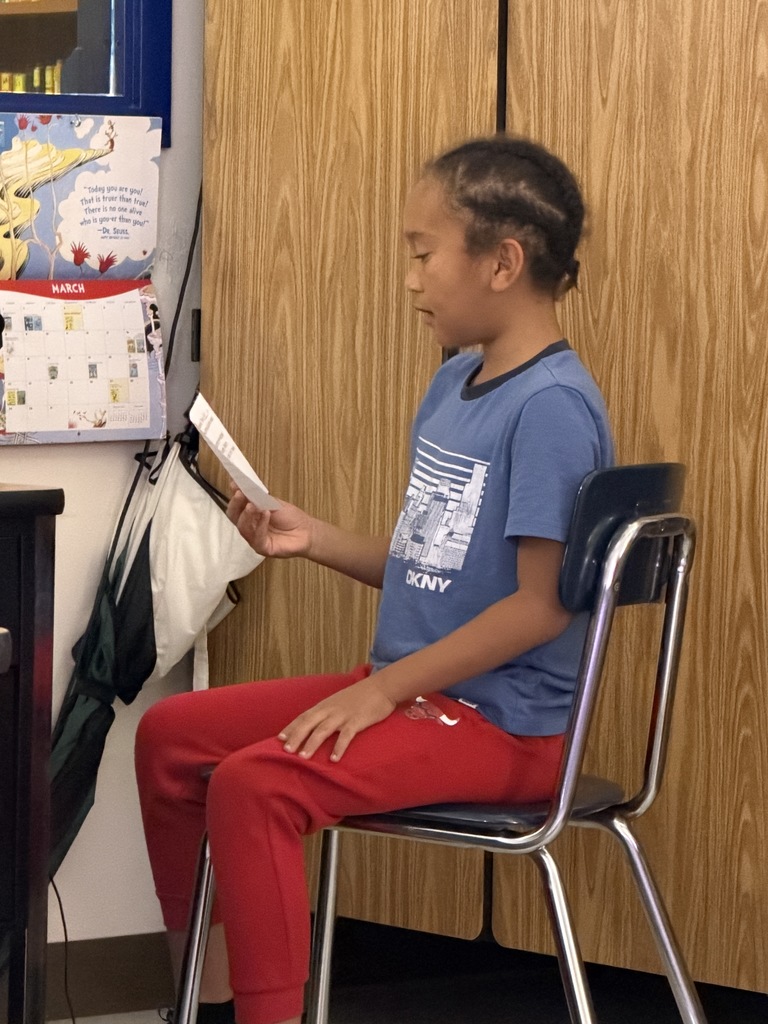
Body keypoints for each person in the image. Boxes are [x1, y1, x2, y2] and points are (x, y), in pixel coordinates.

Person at [135, 134, 614, 1024]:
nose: (410, 279)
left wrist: (381, 691)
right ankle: (202, 990)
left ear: (503, 261)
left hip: (506, 727)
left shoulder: (552, 409)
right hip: (420, 695)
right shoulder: (455, 385)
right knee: (172, 736)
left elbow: (542, 607)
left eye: (423, 254)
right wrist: (313, 539)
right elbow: (434, 570)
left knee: (256, 784)